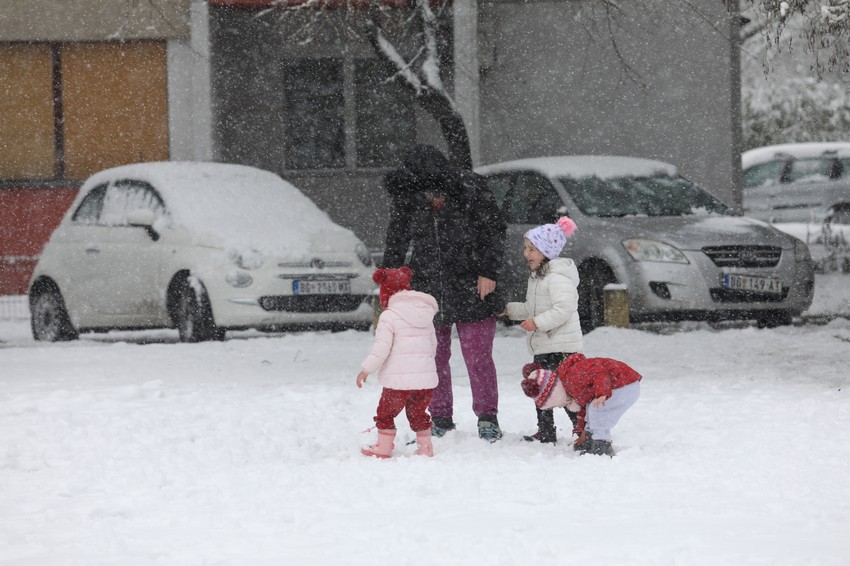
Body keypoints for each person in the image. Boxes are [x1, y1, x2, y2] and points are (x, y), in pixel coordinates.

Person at [382, 144, 507, 442]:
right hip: (426, 286)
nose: (427, 197)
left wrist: (488, 271)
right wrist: (390, 278)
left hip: (473, 282)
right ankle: (439, 417)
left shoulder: (472, 189)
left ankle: (487, 417)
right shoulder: (408, 195)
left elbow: (494, 231)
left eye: (430, 190)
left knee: (478, 356)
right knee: (432, 355)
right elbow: (397, 237)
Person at [501, 217, 583, 444]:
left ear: (547, 251)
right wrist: (508, 310)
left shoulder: (557, 278)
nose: (526, 254)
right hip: (544, 345)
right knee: (539, 387)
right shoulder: (538, 278)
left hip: (562, 347)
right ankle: (545, 429)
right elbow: (530, 308)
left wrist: (537, 323)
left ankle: (581, 427)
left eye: (532, 249)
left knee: (564, 391)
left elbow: (564, 308)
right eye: (526, 249)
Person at [357, 267, 439, 458]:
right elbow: (432, 345)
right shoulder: (426, 316)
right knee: (419, 413)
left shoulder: (389, 316)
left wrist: (366, 369)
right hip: (425, 380)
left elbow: (381, 348)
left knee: (386, 413)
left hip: (397, 382)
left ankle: (384, 448)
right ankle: (426, 449)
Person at [521, 353, 642, 456]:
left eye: (555, 404)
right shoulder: (570, 386)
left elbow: (599, 372)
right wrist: (582, 431)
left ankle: (602, 443)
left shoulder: (574, 376)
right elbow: (583, 410)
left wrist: (601, 393)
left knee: (597, 410)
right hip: (616, 386)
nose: (558, 407)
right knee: (591, 409)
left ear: (555, 393)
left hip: (624, 385)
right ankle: (589, 438)